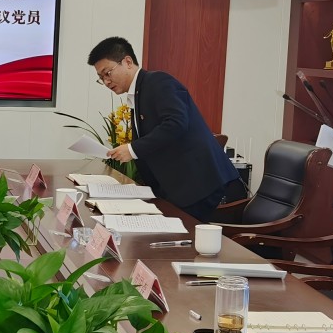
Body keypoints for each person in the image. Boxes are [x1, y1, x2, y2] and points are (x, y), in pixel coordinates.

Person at [86, 36, 237, 222]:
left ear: (127, 62)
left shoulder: (158, 82)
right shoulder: (137, 93)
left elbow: (176, 123)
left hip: (199, 185)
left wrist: (132, 149)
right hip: (177, 187)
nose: (106, 82)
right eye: (101, 78)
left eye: (108, 73)